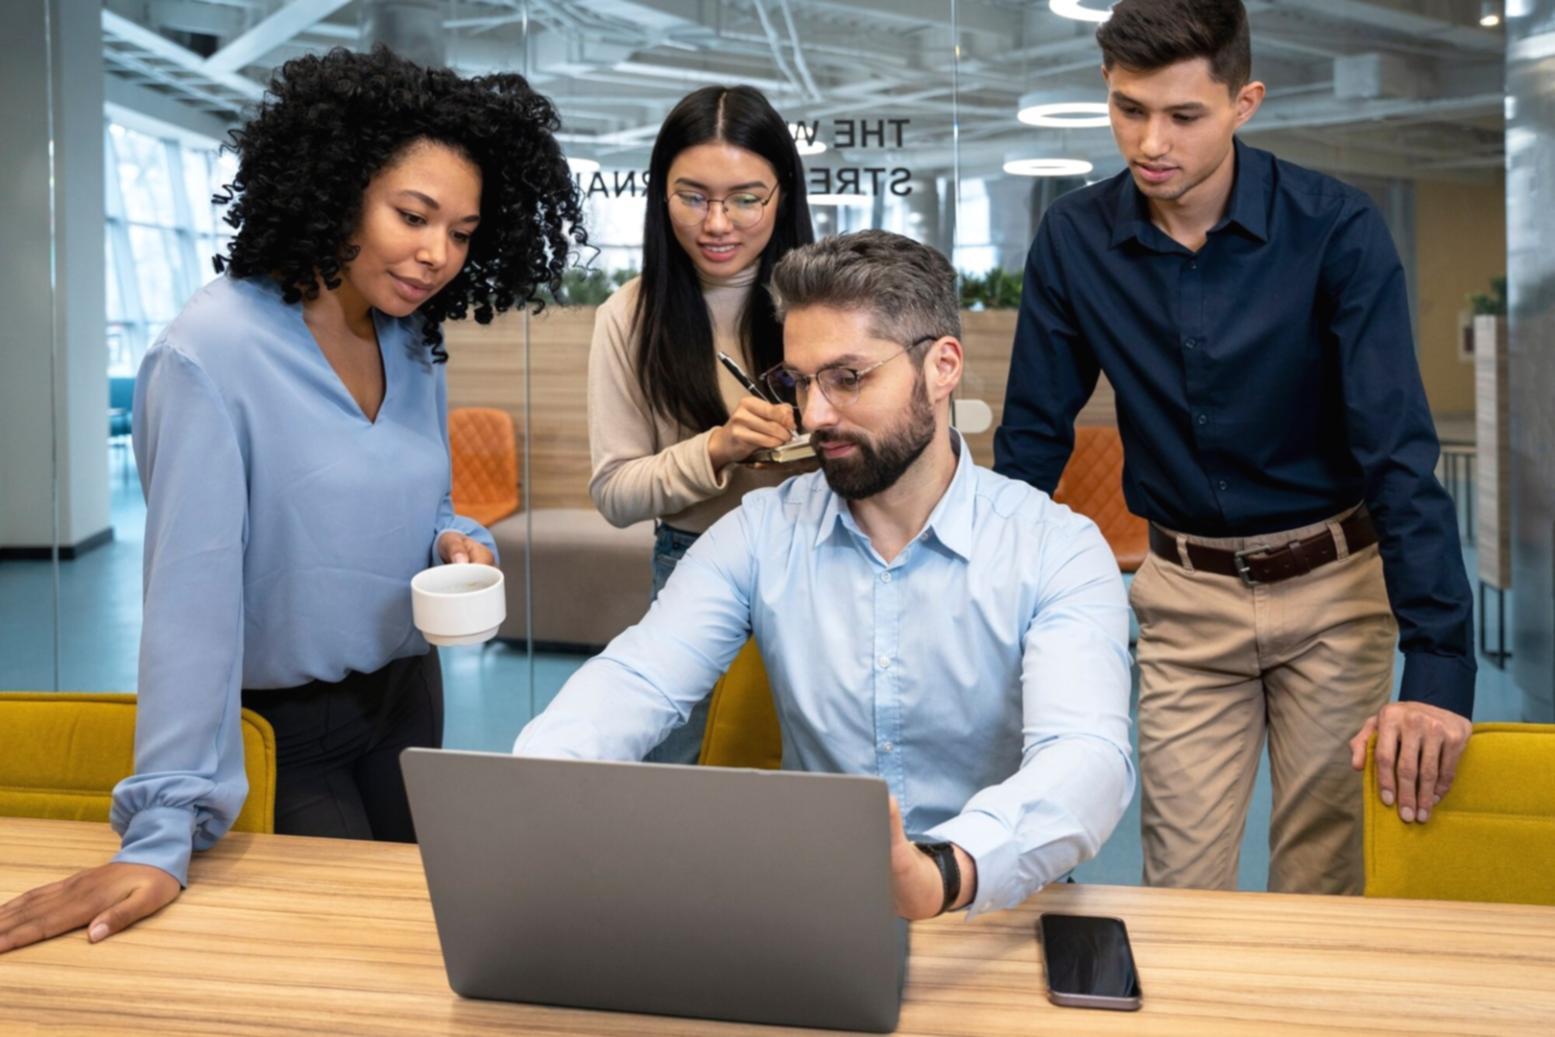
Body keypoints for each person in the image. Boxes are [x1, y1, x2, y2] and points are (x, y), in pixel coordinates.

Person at [0, 46, 583, 953]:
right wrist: (161, 834)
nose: (437, 255)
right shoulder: (211, 353)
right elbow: (189, 607)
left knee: (433, 948)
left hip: (408, 699)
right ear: (337, 187)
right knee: (347, 961)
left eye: (462, 232)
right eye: (412, 215)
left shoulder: (412, 339)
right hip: (287, 729)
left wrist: (457, 540)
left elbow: (422, 503)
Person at [992, 0, 1475, 895]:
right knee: (1179, 887)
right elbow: (1029, 444)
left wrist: (1440, 665)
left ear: (1243, 101)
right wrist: (977, 607)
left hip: (1335, 591)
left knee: (1323, 883)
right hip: (1183, 598)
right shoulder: (1075, 240)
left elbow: (1396, 451)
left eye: (1183, 115)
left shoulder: (1334, 228)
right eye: (1128, 109)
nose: (1149, 142)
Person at [516, 230, 1134, 919]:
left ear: (942, 367)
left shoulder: (1055, 549)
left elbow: (1086, 758)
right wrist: (531, 785)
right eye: (799, 382)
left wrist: (942, 871)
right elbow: (635, 679)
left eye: (848, 377)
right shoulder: (758, 534)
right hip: (821, 912)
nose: (812, 416)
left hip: (993, 906)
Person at [586, 84, 815, 764]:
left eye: (746, 198)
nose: (717, 222)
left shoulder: (834, 298)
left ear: (783, 194)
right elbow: (615, 492)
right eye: (692, 197)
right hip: (694, 562)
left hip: (825, 555)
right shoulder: (629, 316)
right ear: (661, 195)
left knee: (822, 769)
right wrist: (718, 448)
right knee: (679, 773)